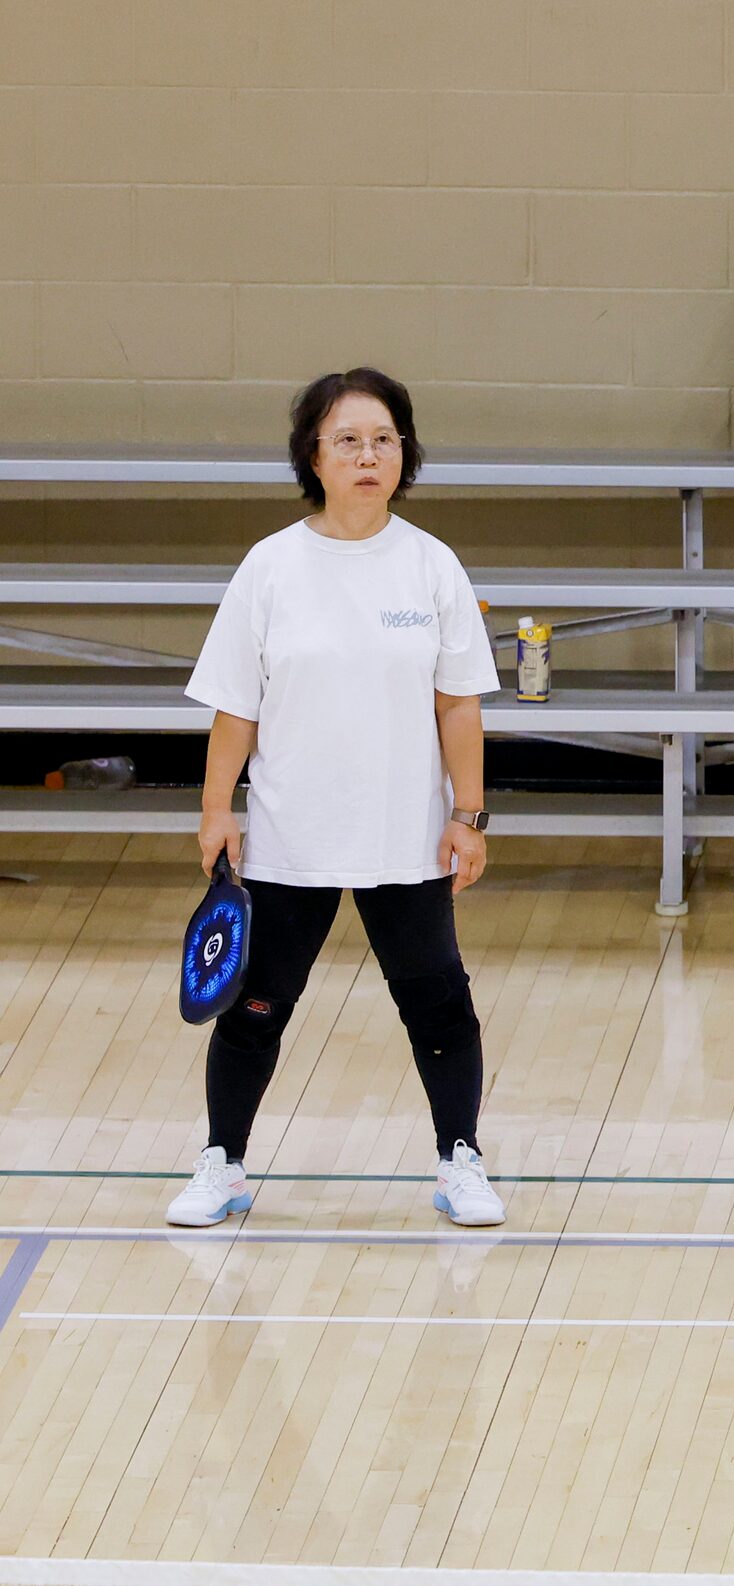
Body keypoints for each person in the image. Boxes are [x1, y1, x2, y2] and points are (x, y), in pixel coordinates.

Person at [165, 367, 506, 1230]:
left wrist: (469, 815)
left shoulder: (433, 566)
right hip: (290, 838)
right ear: (312, 456)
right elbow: (234, 708)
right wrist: (216, 810)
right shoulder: (270, 567)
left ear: (406, 455)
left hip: (408, 837)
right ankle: (223, 1162)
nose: (368, 455)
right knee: (255, 1006)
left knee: (438, 1000)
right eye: (348, 440)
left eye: (385, 439)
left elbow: (457, 703)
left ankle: (460, 1157)